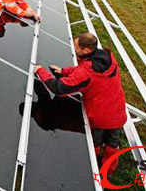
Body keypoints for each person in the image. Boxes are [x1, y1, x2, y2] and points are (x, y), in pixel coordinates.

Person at [33, 33, 127, 174]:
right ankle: (110, 168)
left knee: (93, 141)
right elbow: (83, 67)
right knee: (113, 142)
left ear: (86, 50)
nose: (74, 48)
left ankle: (92, 166)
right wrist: (64, 71)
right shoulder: (106, 57)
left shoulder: (87, 72)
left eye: (77, 47)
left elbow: (59, 88)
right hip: (118, 111)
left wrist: (40, 71)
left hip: (100, 116)